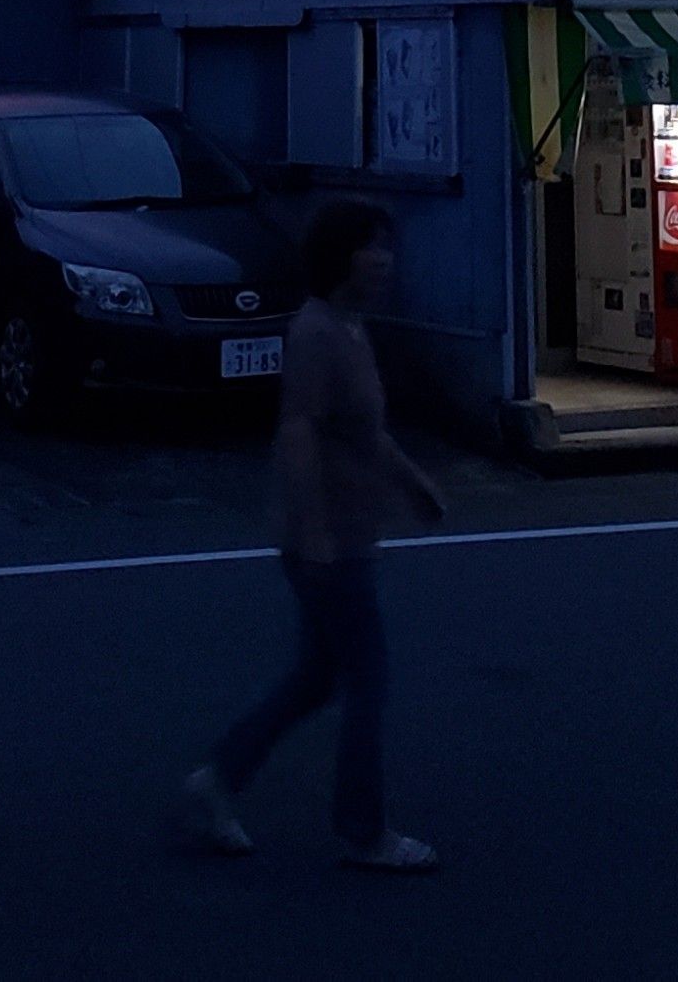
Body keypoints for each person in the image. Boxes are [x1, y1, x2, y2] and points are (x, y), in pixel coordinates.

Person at [183, 198, 445, 873]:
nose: (384, 259)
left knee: (316, 676)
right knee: (367, 678)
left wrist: (411, 481)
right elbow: (297, 430)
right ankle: (363, 830)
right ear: (339, 256)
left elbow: (364, 431)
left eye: (386, 246)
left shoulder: (350, 329)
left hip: (347, 530)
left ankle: (220, 777)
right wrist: (315, 532)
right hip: (326, 540)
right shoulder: (317, 332)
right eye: (371, 247)